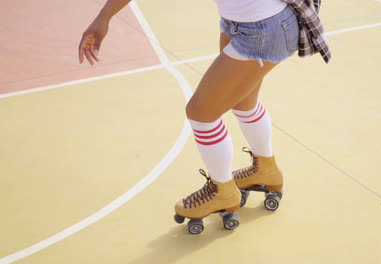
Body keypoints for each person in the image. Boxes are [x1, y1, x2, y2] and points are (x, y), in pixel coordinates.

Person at [79, 0, 330, 234]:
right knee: (243, 102)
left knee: (201, 113)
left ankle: (223, 191)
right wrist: (104, 17)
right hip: (244, 21)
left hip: (262, 28)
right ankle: (266, 169)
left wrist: (104, 17)